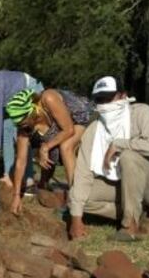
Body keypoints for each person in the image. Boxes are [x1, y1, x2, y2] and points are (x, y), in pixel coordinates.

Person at [68, 76, 149, 241]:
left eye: (108, 98)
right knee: (78, 197)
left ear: (122, 96)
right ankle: (136, 211)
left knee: (128, 157)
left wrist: (119, 144)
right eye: (100, 99)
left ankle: (129, 226)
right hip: (122, 185)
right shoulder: (94, 129)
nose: (104, 103)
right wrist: (75, 220)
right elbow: (83, 173)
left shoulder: (141, 112)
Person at [5, 86, 95, 215]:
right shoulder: (23, 126)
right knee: (48, 147)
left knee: (65, 147)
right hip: (64, 127)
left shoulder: (48, 98)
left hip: (83, 118)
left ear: (32, 112)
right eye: (18, 124)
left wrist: (45, 147)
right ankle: (44, 184)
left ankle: (75, 201)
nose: (21, 126)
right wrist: (16, 196)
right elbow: (20, 161)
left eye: (23, 122)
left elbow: (69, 130)